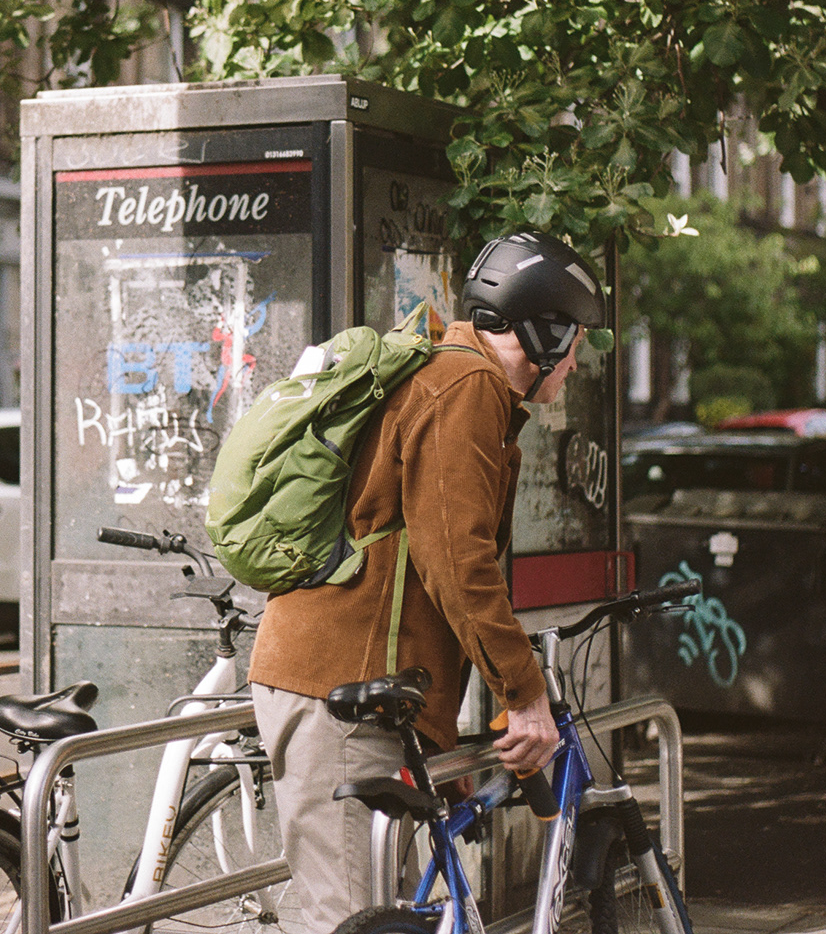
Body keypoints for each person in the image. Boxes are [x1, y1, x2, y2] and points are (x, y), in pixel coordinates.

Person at [247, 229, 607, 934]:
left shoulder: (457, 380)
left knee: (378, 912)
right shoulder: (466, 385)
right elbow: (457, 561)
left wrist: (438, 734)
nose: (577, 360)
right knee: (352, 920)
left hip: (365, 692)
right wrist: (524, 691)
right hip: (340, 692)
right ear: (544, 333)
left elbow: (418, 560)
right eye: (576, 340)